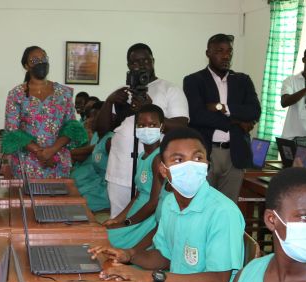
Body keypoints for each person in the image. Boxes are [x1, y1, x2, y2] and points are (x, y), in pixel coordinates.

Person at [89, 128, 245, 282]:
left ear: (207, 165)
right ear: (164, 170)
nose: (190, 165)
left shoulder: (223, 212)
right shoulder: (171, 203)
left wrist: (152, 278)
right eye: (178, 160)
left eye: (198, 157)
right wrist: (128, 255)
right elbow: (164, 255)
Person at [97, 43, 189, 217]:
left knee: (147, 218)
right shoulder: (123, 92)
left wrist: (149, 108)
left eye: (146, 60)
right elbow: (102, 130)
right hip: (120, 168)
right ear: (129, 66)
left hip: (152, 167)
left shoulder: (170, 89)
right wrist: (109, 102)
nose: (141, 65)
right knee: (117, 218)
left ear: (153, 61)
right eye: (135, 62)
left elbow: (181, 127)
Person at [183, 33, 261, 202]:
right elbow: (197, 116)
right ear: (208, 53)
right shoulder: (194, 80)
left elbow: (255, 111)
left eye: (229, 51)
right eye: (220, 51)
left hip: (235, 154)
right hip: (206, 152)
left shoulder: (243, 80)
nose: (226, 56)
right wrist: (237, 120)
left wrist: (222, 108)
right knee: (201, 204)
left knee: (228, 207)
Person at [2, 45, 86, 178]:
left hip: (58, 160)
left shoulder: (63, 92)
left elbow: (72, 127)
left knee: (59, 198)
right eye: (34, 60)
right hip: (27, 162)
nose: (41, 63)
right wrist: (40, 152)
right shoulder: (16, 94)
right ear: (26, 66)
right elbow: (12, 130)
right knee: (29, 198)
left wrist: (51, 151)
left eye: (43, 58)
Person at [104, 104, 167, 250]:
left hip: (147, 220)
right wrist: (117, 219)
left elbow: (154, 202)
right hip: (135, 216)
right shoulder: (141, 156)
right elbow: (137, 195)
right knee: (103, 231)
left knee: (106, 242)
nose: (146, 129)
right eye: (141, 125)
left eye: (152, 125)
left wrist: (126, 223)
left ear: (161, 127)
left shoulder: (158, 158)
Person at [71, 101, 111, 212]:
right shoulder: (99, 136)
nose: (91, 120)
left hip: (104, 187)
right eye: (90, 116)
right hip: (95, 181)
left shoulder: (110, 140)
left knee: (74, 200)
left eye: (96, 117)